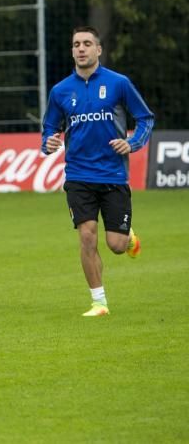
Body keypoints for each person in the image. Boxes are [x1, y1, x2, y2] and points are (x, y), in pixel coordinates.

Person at [40, 26, 153, 317]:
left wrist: (132, 143)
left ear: (98, 50)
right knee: (87, 237)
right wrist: (49, 142)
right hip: (78, 176)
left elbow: (144, 118)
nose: (81, 48)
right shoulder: (61, 90)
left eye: (87, 43)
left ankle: (128, 238)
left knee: (115, 244)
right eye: (76, 44)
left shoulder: (119, 83)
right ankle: (99, 302)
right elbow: (50, 127)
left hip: (113, 175)